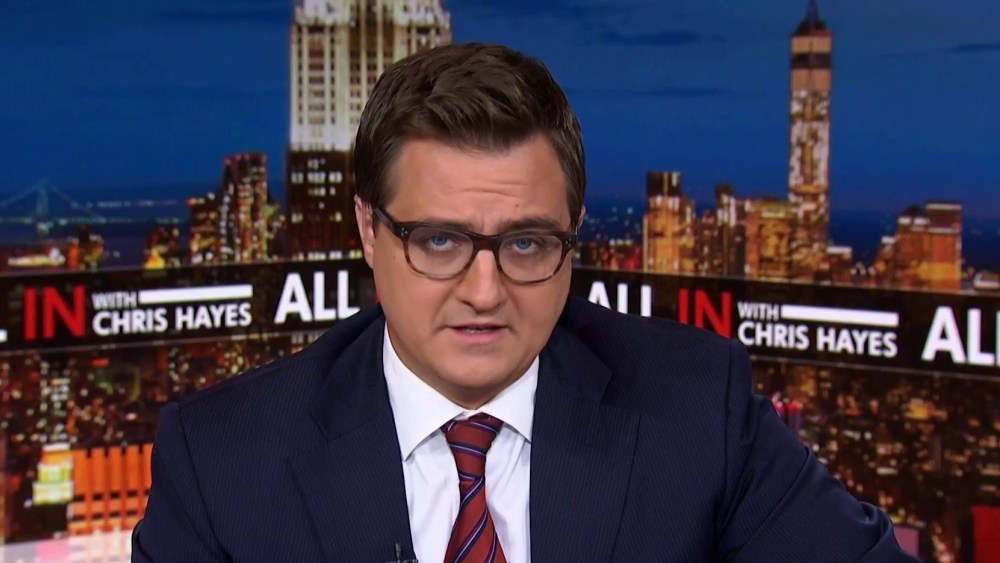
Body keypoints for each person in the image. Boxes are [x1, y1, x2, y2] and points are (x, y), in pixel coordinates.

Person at [132, 43, 918, 562]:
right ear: (368, 230)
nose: (485, 291)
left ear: (573, 233)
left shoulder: (696, 409)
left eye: (528, 244)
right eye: (440, 240)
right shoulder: (224, 460)